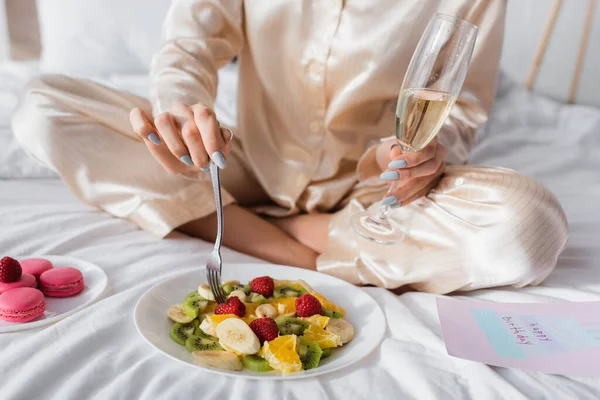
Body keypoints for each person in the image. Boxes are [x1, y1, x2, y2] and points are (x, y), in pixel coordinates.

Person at [12, 0, 567, 294]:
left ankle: (261, 228)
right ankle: (289, 240)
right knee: (42, 107)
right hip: (240, 162)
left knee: (528, 225)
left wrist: (419, 152)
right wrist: (180, 108)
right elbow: (189, 44)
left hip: (373, 190)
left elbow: (460, 104)